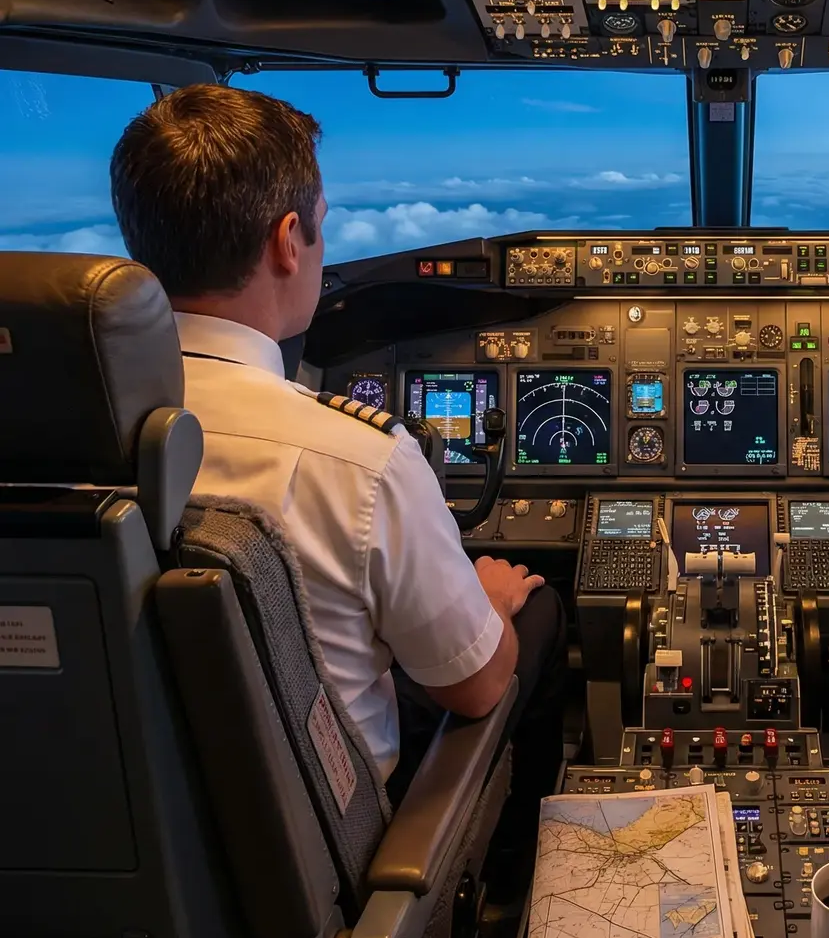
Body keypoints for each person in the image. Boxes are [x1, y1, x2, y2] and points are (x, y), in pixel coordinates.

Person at [110, 84, 565, 808]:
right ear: (288, 241)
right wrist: (487, 602)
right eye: (320, 226)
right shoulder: (358, 463)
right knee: (530, 613)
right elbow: (476, 687)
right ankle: (497, 884)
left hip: (120, 814)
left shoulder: (53, 437)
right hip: (321, 846)